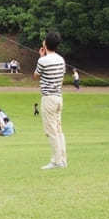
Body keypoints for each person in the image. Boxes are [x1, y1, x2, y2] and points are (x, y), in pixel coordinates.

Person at [34, 32, 67, 170]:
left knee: (51, 131)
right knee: (58, 130)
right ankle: (63, 159)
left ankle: (56, 161)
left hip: (48, 99)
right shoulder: (61, 59)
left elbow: (35, 76)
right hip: (59, 97)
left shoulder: (43, 60)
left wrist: (41, 57)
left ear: (45, 44)